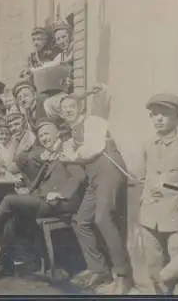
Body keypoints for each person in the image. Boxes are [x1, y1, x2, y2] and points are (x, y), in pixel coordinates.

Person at [0, 117, 87, 280]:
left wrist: (62, 193)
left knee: (9, 201)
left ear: (57, 134)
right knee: (9, 213)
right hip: (44, 199)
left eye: (47, 134)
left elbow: (79, 176)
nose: (45, 138)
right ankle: (5, 264)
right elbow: (40, 180)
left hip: (60, 203)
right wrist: (26, 190)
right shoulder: (50, 154)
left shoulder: (66, 151)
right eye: (41, 136)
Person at [58, 94, 133, 294]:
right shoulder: (70, 136)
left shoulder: (92, 121)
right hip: (94, 178)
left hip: (109, 171)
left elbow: (93, 148)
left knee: (102, 219)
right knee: (80, 221)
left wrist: (70, 156)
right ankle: (98, 269)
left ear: (80, 107)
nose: (67, 110)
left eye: (71, 106)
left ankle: (123, 276)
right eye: (64, 109)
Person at [138, 94, 178, 295]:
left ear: (176, 117)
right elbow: (144, 177)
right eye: (154, 115)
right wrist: (145, 197)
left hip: (177, 214)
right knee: (153, 265)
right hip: (150, 215)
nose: (158, 119)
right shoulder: (148, 144)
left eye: (164, 114)